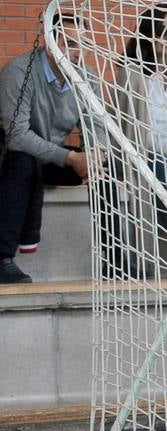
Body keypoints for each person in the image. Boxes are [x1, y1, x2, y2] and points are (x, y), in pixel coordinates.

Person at [0, 14, 129, 283]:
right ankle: (3, 258)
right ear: (49, 42)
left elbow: (97, 126)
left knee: (107, 166)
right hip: (12, 157)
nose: (77, 52)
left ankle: (114, 261)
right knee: (23, 161)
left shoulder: (87, 77)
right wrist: (70, 157)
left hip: (52, 156)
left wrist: (94, 155)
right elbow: (17, 136)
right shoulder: (19, 71)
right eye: (70, 43)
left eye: (82, 44)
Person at [114, 4, 167, 246]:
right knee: (165, 164)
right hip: (141, 156)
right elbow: (131, 132)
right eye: (161, 31)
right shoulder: (133, 74)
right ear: (148, 35)